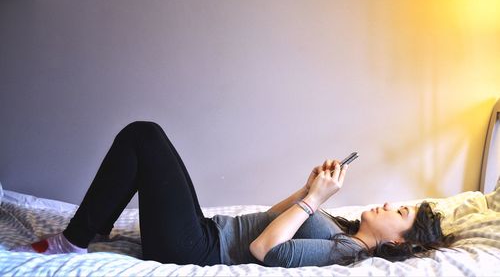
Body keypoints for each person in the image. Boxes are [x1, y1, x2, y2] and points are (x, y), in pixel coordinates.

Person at [11, 121, 454, 267]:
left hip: (195, 249)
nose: (388, 203)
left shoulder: (344, 252)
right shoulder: (343, 229)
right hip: (202, 233)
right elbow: (267, 218)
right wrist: (307, 189)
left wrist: (313, 202)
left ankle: (76, 238)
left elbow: (264, 249)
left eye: (399, 211)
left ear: (398, 240)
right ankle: (94, 223)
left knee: (145, 136)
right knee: (145, 141)